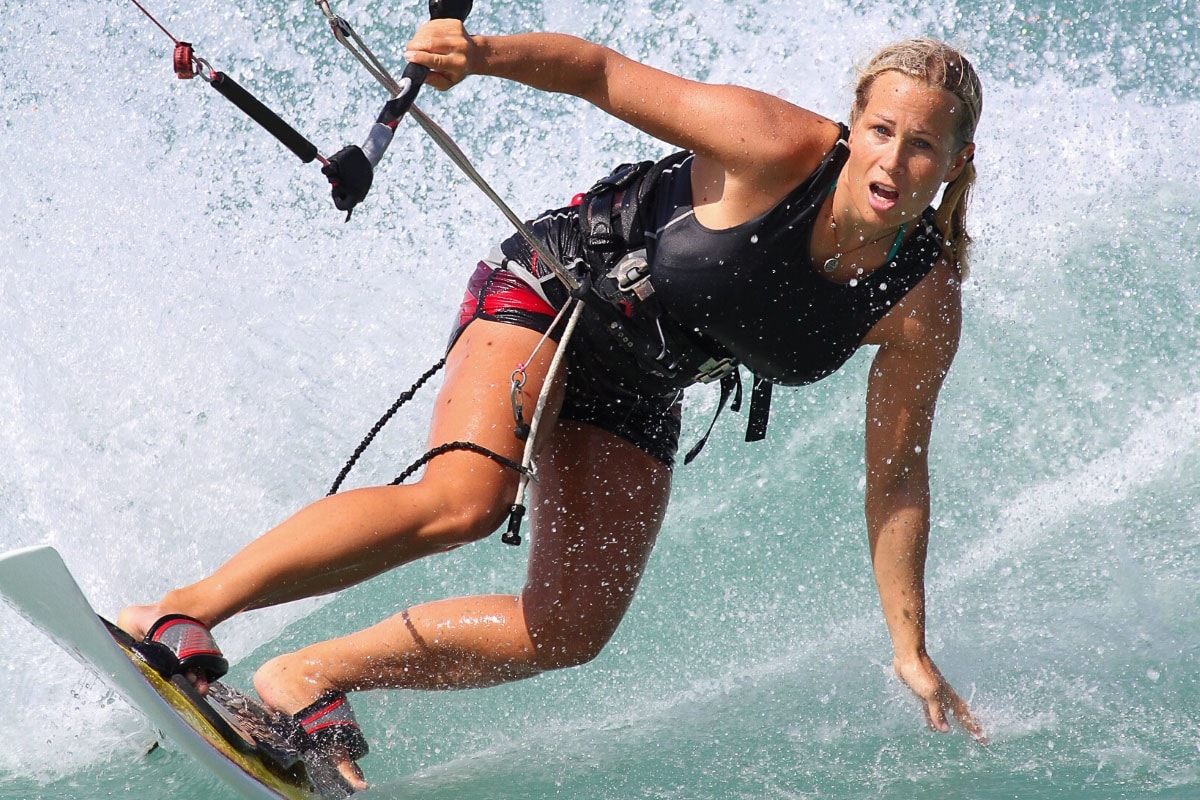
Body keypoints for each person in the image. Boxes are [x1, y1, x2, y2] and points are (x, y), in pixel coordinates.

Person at [119, 20, 987, 789]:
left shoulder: (919, 301)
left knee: (570, 627)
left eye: (923, 147)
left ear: (956, 164)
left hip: (644, 375)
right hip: (556, 289)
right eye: (881, 130)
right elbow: (600, 73)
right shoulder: (772, 144)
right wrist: (480, 57)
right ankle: (180, 609)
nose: (894, 159)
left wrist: (908, 646)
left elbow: (899, 478)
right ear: (855, 125)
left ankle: (305, 676)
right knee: (465, 502)